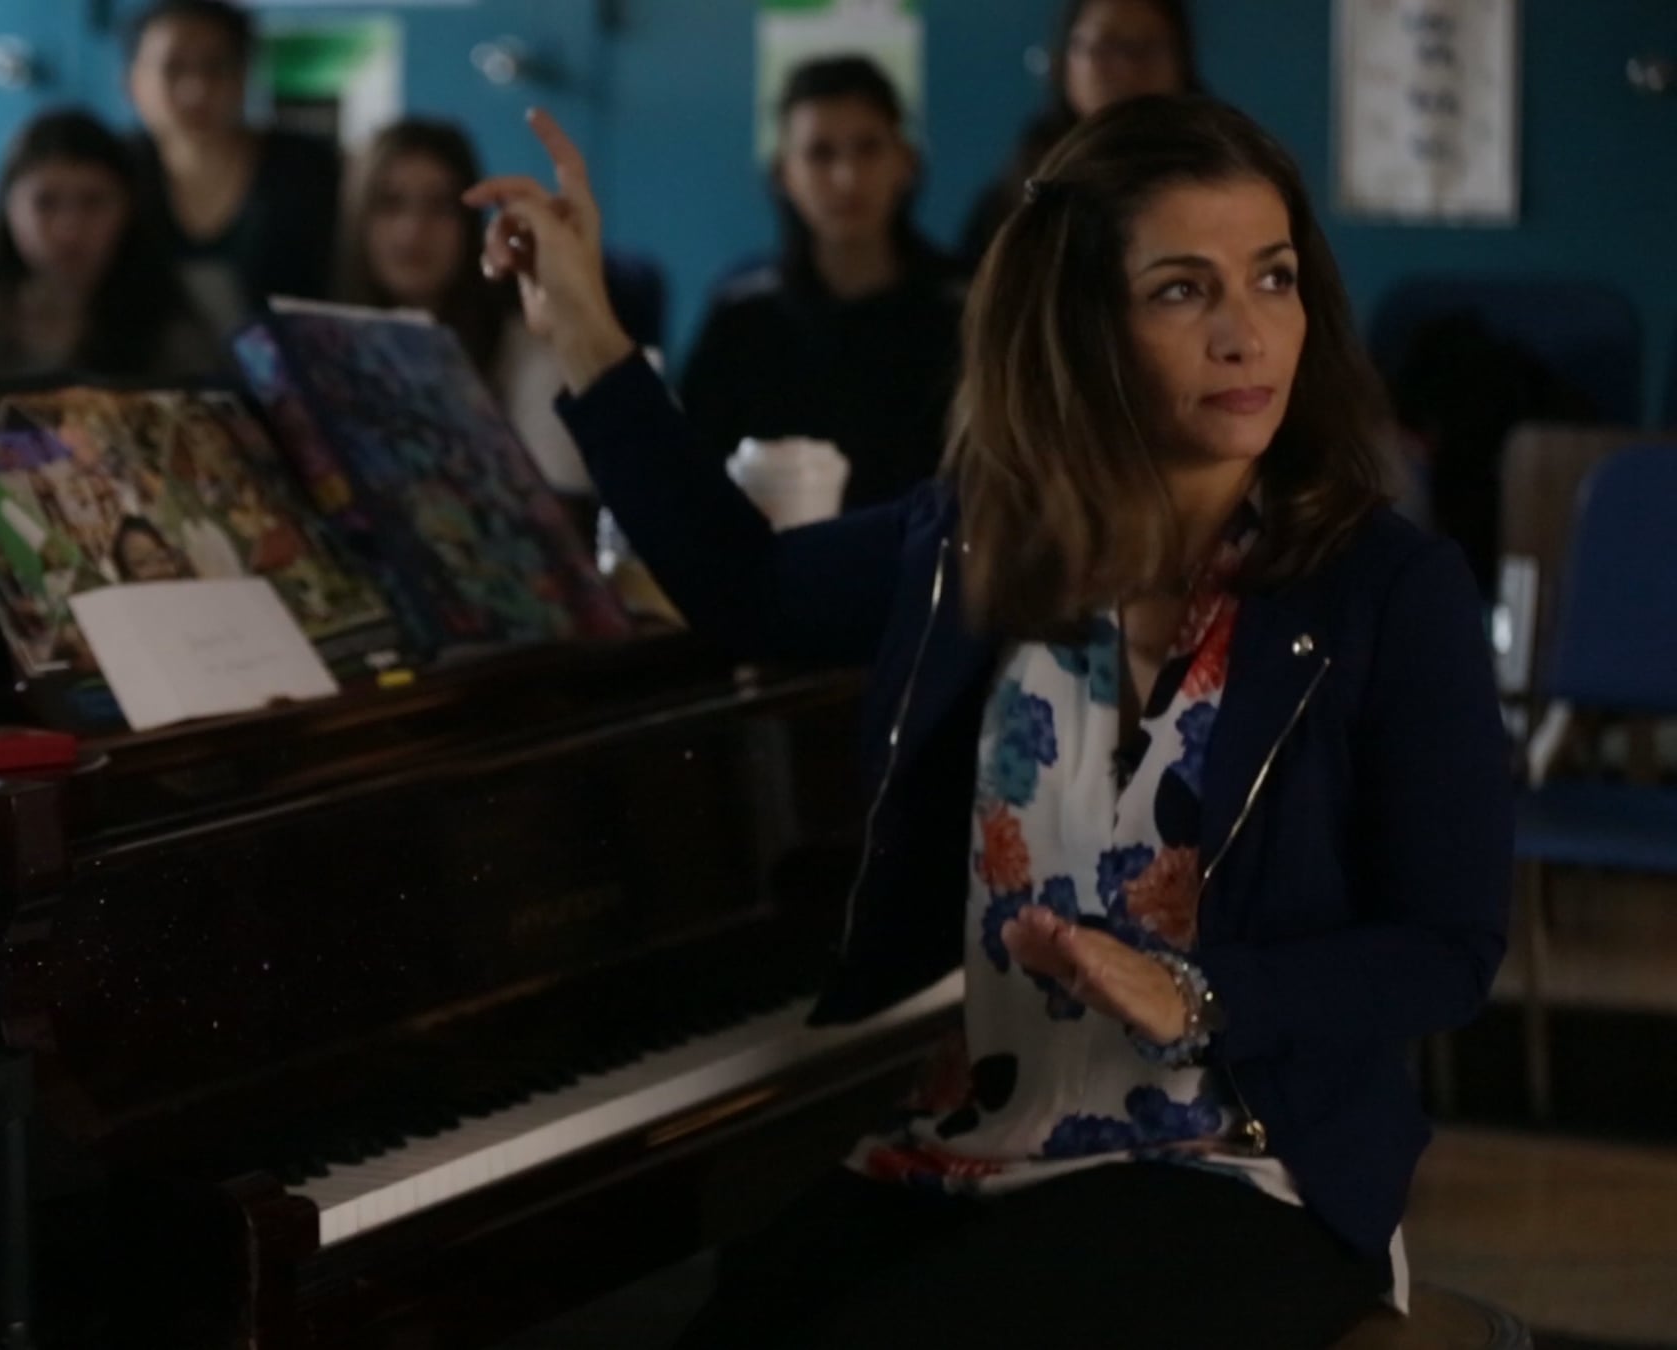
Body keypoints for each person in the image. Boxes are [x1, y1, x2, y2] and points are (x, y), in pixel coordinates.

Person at [469, 95, 1509, 1347]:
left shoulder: (1387, 590)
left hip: (1241, 1164)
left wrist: (1200, 993)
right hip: (971, 1139)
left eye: (1273, 278)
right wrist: (582, 319)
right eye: (1183, 290)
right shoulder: (980, 542)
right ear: (1082, 324)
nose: (1246, 333)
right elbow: (746, 586)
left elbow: (1448, 948)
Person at [679, 57, 962, 512]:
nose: (846, 177)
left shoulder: (964, 308)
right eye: (820, 153)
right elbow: (695, 472)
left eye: (868, 148)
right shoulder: (743, 315)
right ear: (783, 173)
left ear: (905, 161)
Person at [338, 118, 591, 500]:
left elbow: (560, 507)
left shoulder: (529, 359)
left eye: (440, 207)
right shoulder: (331, 348)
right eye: (390, 204)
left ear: (471, 225)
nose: (413, 230)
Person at [0, 108, 223, 383]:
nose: (69, 230)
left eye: (93, 202)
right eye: (45, 203)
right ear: (8, 210)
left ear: (129, 210)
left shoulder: (175, 338)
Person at [124, 0, 341, 333]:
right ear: (133, 82)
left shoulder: (307, 170)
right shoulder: (114, 173)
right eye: (173, 68)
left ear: (244, 74)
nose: (196, 89)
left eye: (215, 67)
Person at [959, 0, 1200, 265]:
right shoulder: (1014, 196)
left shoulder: (1216, 168)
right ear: (1066, 56)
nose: (1126, 68)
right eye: (1106, 46)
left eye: (1146, 48)